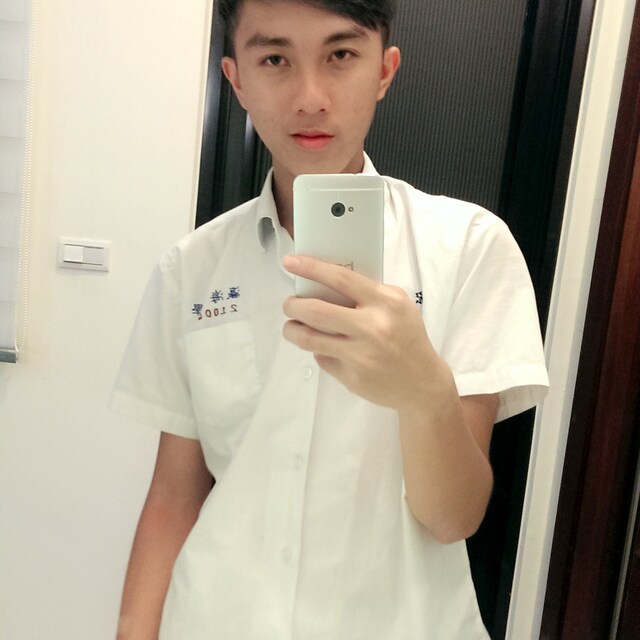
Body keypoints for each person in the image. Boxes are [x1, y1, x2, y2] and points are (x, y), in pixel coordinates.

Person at [111, 0, 549, 638]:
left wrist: (423, 393)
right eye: (275, 59)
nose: (310, 98)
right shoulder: (191, 269)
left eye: (340, 55)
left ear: (384, 71)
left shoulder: (469, 248)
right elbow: (174, 498)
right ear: (236, 79)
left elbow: (452, 518)